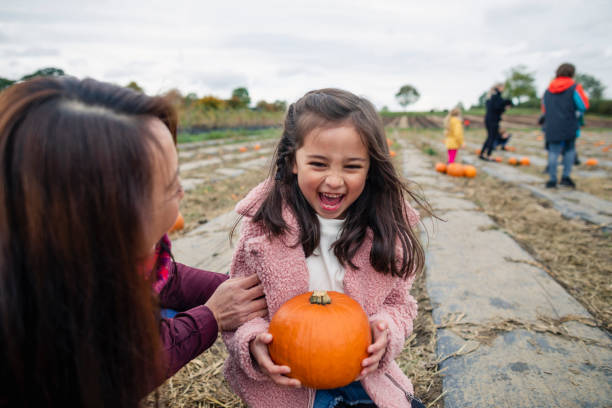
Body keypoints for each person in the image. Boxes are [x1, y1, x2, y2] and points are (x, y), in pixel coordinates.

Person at [0, 76, 266, 407]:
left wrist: (254, 293)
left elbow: (167, 279)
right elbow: (119, 367)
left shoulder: (90, 253)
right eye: (170, 186)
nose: (182, 192)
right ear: (107, 212)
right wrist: (211, 316)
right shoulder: (40, 336)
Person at [222, 88, 428, 408]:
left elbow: (400, 304)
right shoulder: (265, 228)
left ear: (370, 167)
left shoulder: (385, 230)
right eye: (318, 164)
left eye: (351, 167)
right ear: (293, 162)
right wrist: (252, 342)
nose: (334, 180)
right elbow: (240, 310)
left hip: (361, 377)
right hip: (287, 383)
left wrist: (387, 330)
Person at [542, 63, 589, 188]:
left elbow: (544, 109)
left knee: (553, 152)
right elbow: (583, 105)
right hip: (569, 124)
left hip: (551, 125)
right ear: (572, 73)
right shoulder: (575, 87)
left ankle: (552, 180)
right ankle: (565, 177)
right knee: (569, 151)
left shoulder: (548, 89)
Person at [479, 82, 512, 161]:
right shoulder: (496, 96)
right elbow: (497, 108)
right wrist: (505, 107)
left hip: (488, 119)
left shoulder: (490, 96)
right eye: (503, 87)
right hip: (493, 120)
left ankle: (482, 153)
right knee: (492, 137)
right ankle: (488, 155)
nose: (503, 89)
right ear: (499, 87)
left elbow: (492, 108)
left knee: (490, 137)